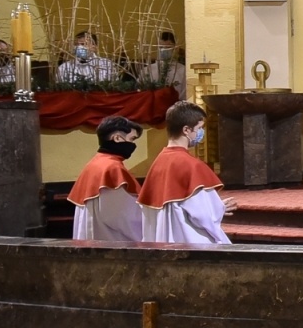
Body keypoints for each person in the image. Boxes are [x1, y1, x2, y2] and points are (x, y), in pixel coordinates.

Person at [139, 101, 236, 244]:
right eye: (199, 128)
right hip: (188, 243)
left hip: (163, 243)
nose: (201, 133)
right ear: (186, 130)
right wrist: (218, 208)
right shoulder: (192, 165)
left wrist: (216, 206)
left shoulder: (158, 162)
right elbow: (203, 216)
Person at [68, 115, 145, 242]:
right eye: (132, 139)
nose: (132, 145)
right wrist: (148, 223)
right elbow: (120, 216)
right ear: (117, 138)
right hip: (111, 241)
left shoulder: (93, 164)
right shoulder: (112, 168)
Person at [141, 29, 188, 98]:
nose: (163, 50)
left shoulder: (183, 71)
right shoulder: (147, 70)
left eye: (168, 47)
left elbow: (185, 94)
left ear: (175, 48)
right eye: (161, 47)